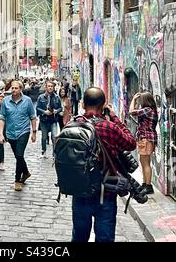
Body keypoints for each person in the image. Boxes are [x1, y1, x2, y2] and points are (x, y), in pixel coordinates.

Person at [71, 87, 136, 242]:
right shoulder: (110, 127)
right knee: (105, 238)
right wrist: (114, 117)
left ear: (83, 104)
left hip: (81, 191)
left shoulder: (73, 124)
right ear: (103, 105)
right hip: (106, 191)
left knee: (79, 237)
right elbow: (131, 143)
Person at [0, 80, 37, 191]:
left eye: (16, 88)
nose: (14, 90)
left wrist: (34, 132)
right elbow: (2, 117)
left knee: (19, 155)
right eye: (12, 88)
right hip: (10, 133)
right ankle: (25, 172)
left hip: (23, 131)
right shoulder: (5, 101)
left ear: (21, 89)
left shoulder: (27, 101)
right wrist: (1, 134)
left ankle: (17, 180)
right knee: (18, 156)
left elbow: (33, 116)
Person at [129, 91, 158, 194]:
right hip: (146, 139)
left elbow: (131, 111)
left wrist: (134, 99)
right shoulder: (151, 110)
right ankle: (145, 184)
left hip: (146, 139)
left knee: (145, 163)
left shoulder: (147, 110)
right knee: (144, 162)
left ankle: (148, 186)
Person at [36, 81, 62, 158]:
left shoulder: (57, 97)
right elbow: (37, 108)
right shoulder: (41, 97)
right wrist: (44, 112)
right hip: (44, 120)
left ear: (53, 87)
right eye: (48, 86)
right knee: (44, 137)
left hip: (53, 120)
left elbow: (60, 108)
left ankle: (54, 153)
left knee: (54, 136)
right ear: (46, 87)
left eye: (51, 86)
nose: (50, 87)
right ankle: (43, 151)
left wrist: (56, 111)